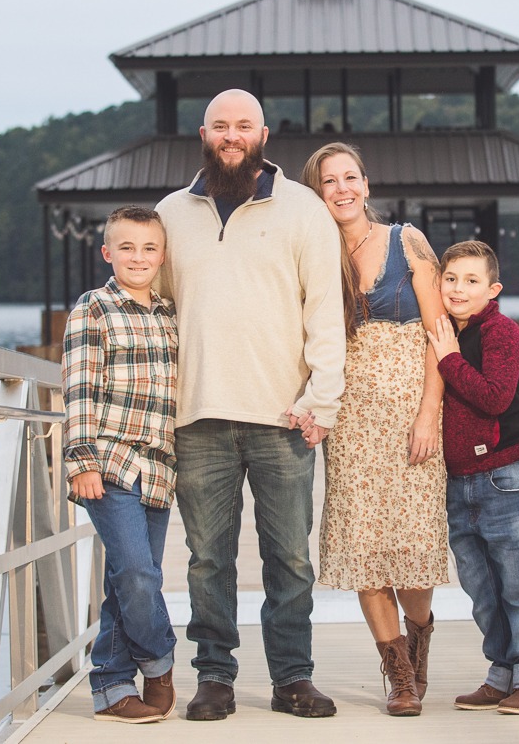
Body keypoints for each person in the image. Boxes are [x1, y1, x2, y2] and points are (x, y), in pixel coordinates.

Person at [155, 88, 346, 721]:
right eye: (220, 126)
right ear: (202, 133)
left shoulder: (304, 210)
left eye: (243, 125)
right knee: (208, 559)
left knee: (290, 556)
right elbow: (150, 308)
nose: (231, 135)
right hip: (197, 413)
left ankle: (293, 678)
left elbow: (325, 313)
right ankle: (215, 678)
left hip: (284, 414)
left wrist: (322, 400)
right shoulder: (170, 213)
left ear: (264, 133)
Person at [300, 142, 448, 717]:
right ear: (316, 194)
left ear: (365, 183)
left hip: (411, 412)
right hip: (350, 421)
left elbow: (440, 334)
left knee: (413, 550)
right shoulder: (313, 255)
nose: (341, 189)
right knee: (363, 548)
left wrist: (428, 414)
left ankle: (420, 635)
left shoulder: (406, 241)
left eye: (350, 177)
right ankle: (399, 674)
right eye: (329, 181)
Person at [426, 240, 519, 716]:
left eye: (472, 281)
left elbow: (496, 398)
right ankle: (502, 673)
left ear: (493, 288)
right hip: (460, 481)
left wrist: (448, 359)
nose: (459, 289)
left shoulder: (502, 333)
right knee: (482, 589)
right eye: (451, 279)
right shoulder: (444, 332)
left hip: (506, 476)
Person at [62, 205, 180, 724]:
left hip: (160, 468)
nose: (138, 257)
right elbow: (80, 391)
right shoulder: (93, 309)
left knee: (129, 579)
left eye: (149, 248)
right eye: (126, 248)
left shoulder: (170, 313)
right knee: (136, 572)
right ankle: (158, 662)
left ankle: (111, 687)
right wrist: (81, 459)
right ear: (107, 253)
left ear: (163, 255)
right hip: (110, 463)